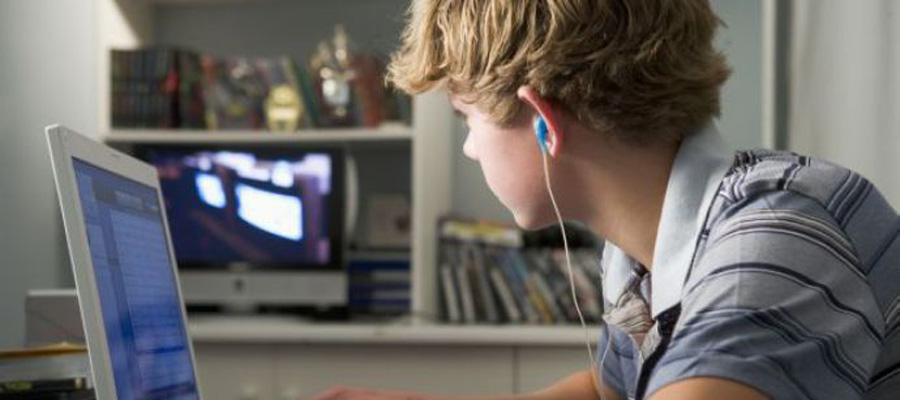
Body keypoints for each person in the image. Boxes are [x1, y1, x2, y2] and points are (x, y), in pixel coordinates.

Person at [311, 1, 900, 399]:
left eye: (466, 117)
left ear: (544, 122)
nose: (468, 148)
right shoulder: (643, 252)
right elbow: (609, 389)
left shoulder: (774, 245)